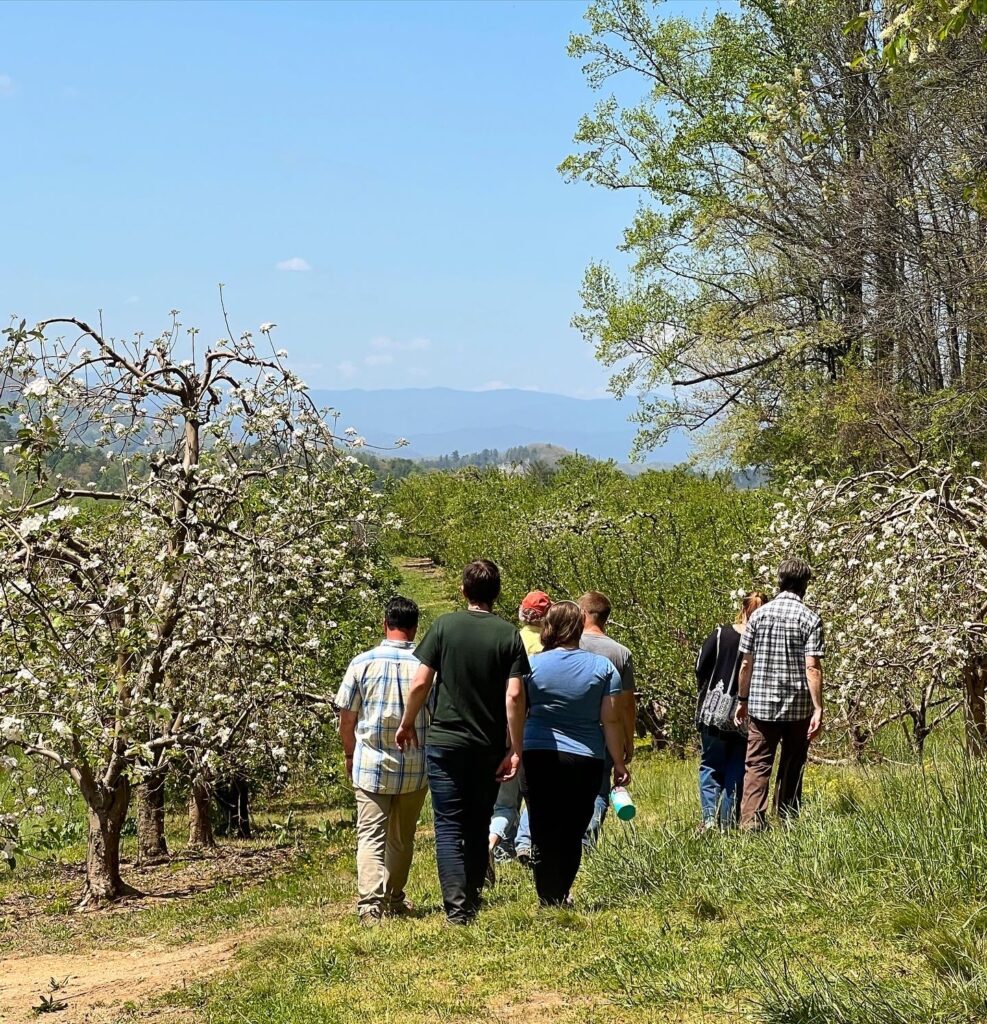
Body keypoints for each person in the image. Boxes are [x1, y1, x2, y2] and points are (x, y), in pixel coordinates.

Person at [395, 559, 529, 925]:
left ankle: (457, 910)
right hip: (486, 745)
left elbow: (421, 683)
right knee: (477, 822)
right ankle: (470, 896)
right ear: (497, 593)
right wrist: (514, 748)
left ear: (463, 590)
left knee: (449, 825)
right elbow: (514, 696)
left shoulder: (444, 626)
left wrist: (408, 723)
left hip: (444, 743)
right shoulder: (508, 635)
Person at [522, 601, 629, 907]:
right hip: (585, 757)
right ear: (580, 627)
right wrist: (618, 762)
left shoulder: (531, 665)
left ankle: (547, 895)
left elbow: (517, 708)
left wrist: (512, 749)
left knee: (542, 826)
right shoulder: (603, 668)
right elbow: (610, 719)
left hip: (538, 752)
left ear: (549, 626)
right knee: (572, 829)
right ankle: (561, 892)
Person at [335, 596, 429, 927]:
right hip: (414, 766)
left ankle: (369, 905)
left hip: (371, 763)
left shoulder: (362, 663)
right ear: (415, 627)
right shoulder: (426, 666)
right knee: (402, 838)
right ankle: (393, 896)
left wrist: (349, 753)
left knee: (370, 836)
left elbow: (347, 718)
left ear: (384, 623)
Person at [735, 558, 824, 829]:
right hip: (798, 708)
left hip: (761, 706)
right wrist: (818, 707)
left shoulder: (759, 616)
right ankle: (787, 819)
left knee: (757, 765)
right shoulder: (810, 618)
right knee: (792, 764)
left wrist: (742, 699)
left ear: (780, 581)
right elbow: (812, 667)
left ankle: (752, 821)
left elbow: (746, 663)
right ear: (804, 584)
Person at [488, 590, 552, 877]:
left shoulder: (509, 640)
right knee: (536, 793)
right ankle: (524, 842)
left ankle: (497, 845)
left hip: (506, 726)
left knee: (505, 798)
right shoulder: (549, 647)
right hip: (538, 728)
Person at [694, 592, 766, 829]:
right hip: (745, 713)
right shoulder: (762, 641)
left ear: (743, 609)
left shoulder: (720, 634)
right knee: (737, 766)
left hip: (715, 709)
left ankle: (708, 820)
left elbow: (700, 666)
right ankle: (727, 822)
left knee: (711, 765)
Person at [577, 592, 635, 847]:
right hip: (605, 734)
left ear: (583, 614)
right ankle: (586, 840)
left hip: (570, 730)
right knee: (600, 790)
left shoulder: (568, 645)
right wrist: (627, 741)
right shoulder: (621, 653)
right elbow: (626, 705)